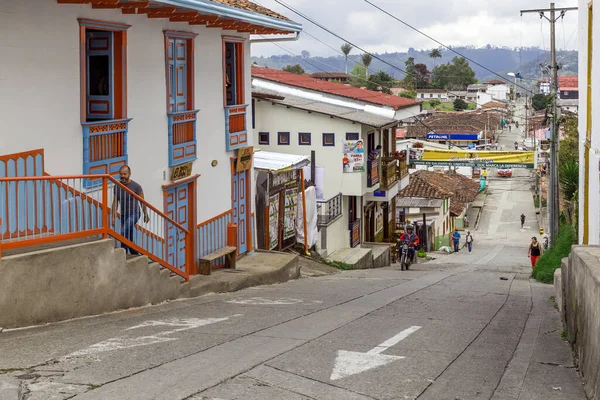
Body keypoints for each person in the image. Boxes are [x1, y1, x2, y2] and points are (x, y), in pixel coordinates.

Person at [111, 165, 150, 255]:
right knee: (129, 236)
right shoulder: (117, 186)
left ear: (129, 174)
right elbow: (115, 202)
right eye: (121, 174)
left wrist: (146, 214)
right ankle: (135, 254)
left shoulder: (136, 187)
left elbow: (142, 201)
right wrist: (113, 216)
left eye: (125, 174)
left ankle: (123, 254)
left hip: (134, 213)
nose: (122, 176)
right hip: (124, 215)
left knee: (123, 232)